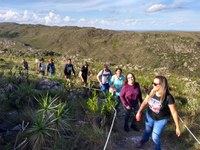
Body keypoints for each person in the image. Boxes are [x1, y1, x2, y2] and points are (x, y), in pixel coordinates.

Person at [135, 75, 181, 150]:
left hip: (161, 119)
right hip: (149, 115)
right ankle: (144, 140)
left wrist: (177, 127)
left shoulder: (168, 97)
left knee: (155, 136)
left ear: (162, 85)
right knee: (147, 130)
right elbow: (145, 101)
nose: (153, 85)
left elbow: (174, 113)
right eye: (153, 83)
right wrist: (139, 111)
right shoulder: (151, 90)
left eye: (155, 84)